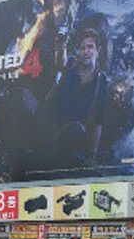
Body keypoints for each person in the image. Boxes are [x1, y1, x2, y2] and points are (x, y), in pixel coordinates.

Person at [44, 28, 109, 167]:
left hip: (73, 137)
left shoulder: (101, 80)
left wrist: (92, 155)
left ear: (98, 51)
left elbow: (98, 121)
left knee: (76, 128)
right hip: (49, 125)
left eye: (90, 47)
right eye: (82, 48)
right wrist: (61, 46)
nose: (86, 51)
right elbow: (60, 63)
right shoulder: (72, 64)